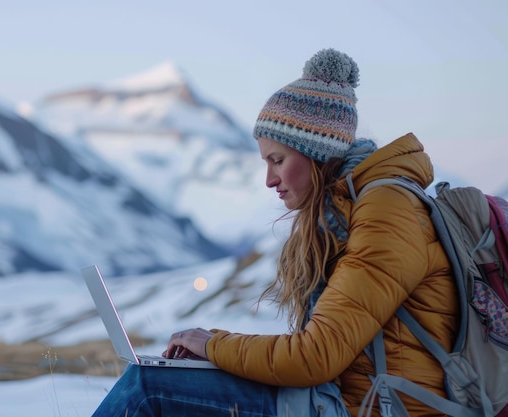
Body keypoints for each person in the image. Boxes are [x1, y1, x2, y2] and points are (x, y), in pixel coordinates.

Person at [91, 48, 458, 417]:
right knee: (160, 380)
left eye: (278, 160)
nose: (269, 180)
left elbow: (315, 356)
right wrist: (212, 346)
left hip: (380, 408)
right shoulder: (351, 209)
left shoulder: (386, 212)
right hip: (345, 398)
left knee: (147, 387)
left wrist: (213, 346)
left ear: (317, 153)